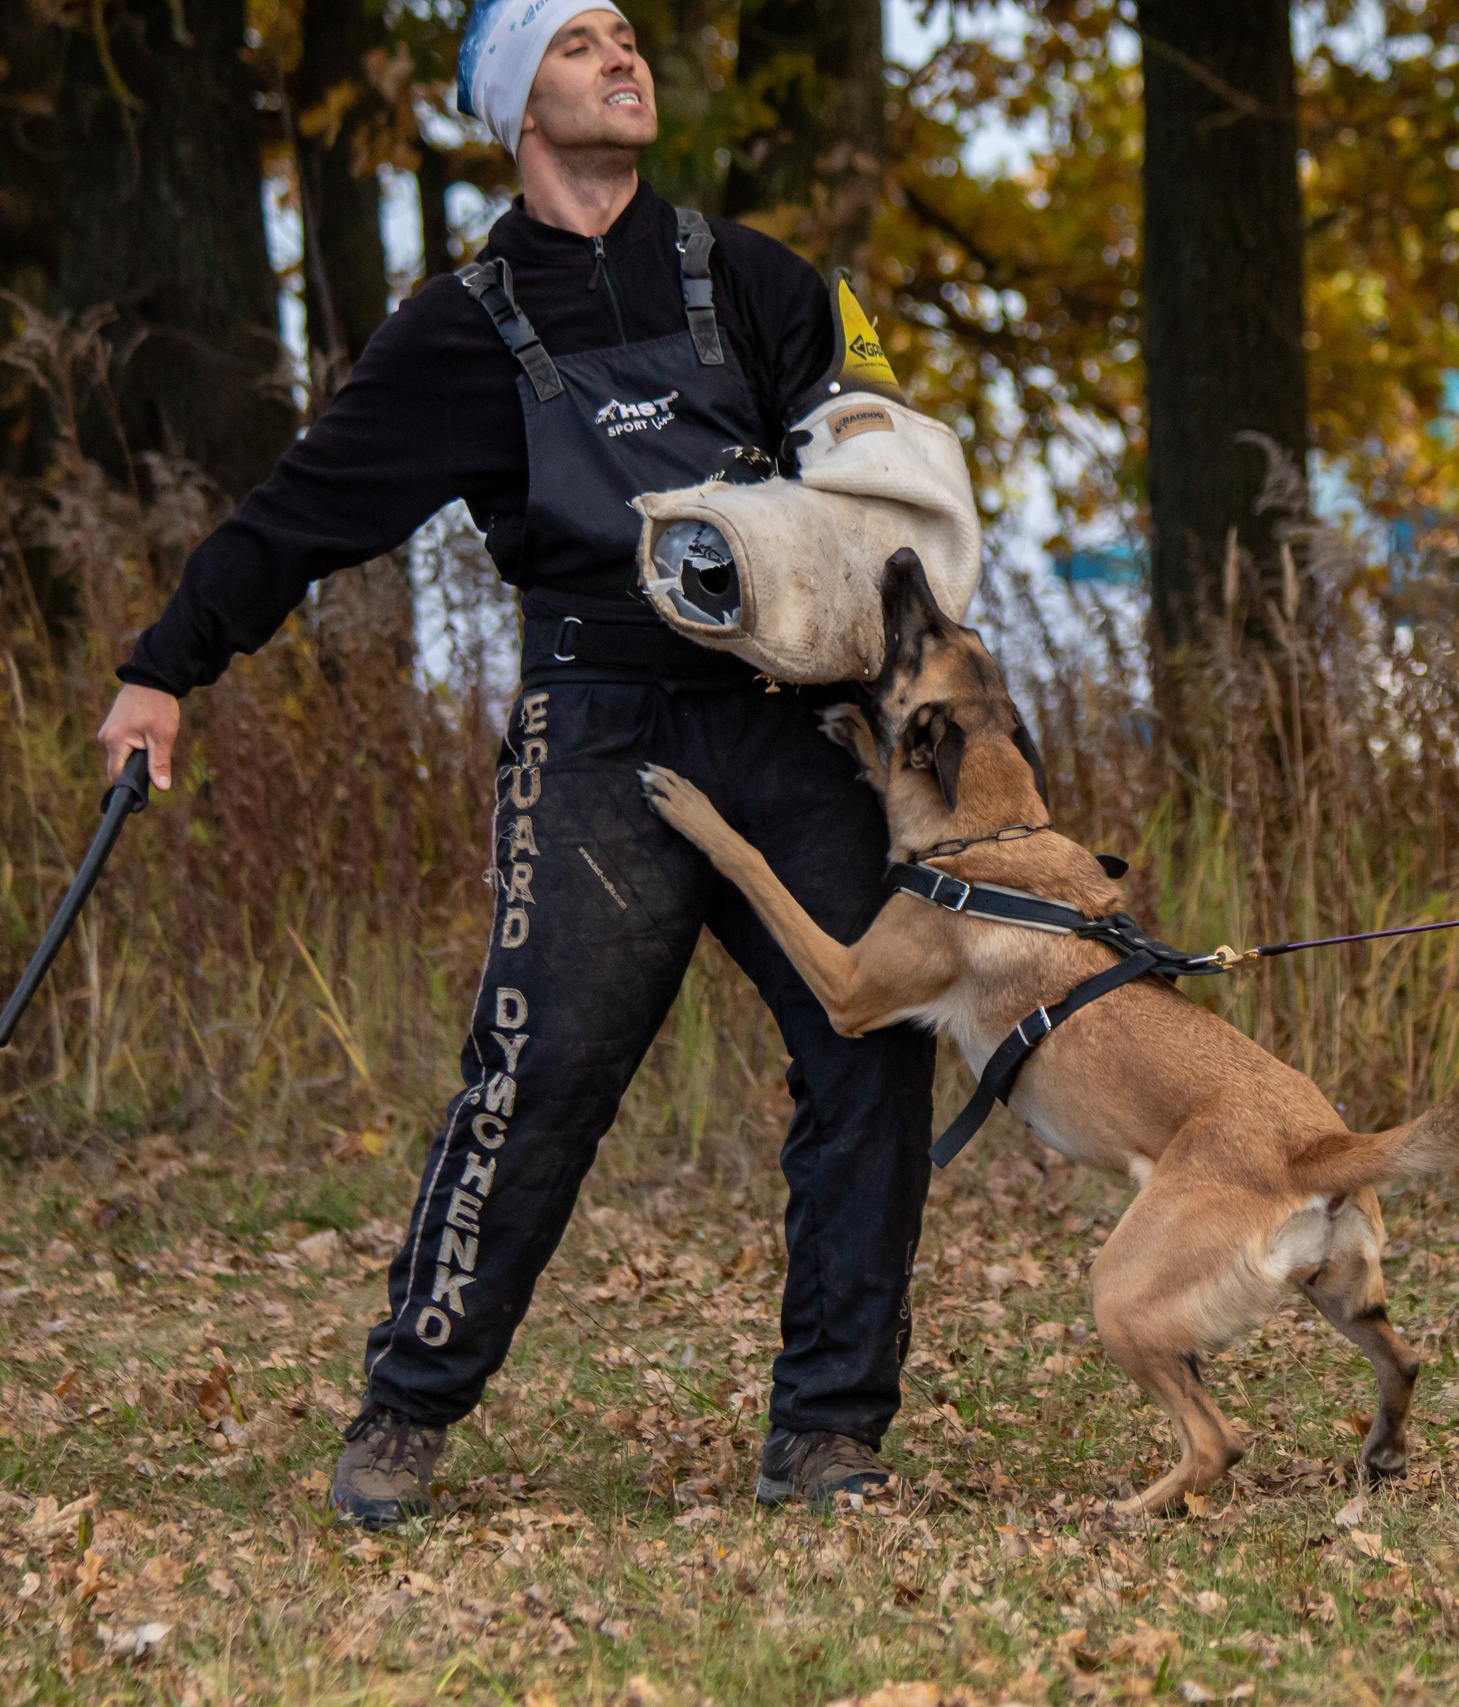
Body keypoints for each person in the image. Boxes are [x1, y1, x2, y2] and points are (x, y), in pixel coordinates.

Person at [96, 0, 937, 1528]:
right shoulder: (458, 329)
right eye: (576, 44)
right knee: (542, 1071)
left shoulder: (758, 278)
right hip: (597, 728)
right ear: (516, 107)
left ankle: (826, 1434)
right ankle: (408, 1407)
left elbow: (887, 481)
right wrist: (165, 667)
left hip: (780, 720)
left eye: (626, 34)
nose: (621, 56)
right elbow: (300, 514)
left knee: (872, 1043)